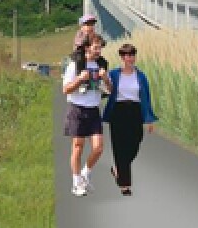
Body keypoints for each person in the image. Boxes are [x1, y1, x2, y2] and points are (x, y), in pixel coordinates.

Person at [101, 43, 158, 196]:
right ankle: (124, 185)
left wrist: (149, 119)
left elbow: (146, 98)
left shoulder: (140, 76)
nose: (128, 58)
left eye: (131, 55)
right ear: (121, 57)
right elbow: (106, 91)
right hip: (118, 111)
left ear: (134, 57)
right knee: (119, 147)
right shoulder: (113, 74)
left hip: (135, 111)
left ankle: (118, 169)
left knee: (135, 143)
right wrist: (105, 80)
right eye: (125, 55)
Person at [62, 36, 111, 196]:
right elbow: (66, 90)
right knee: (78, 147)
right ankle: (76, 183)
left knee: (98, 148)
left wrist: (105, 78)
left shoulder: (101, 65)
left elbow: (110, 90)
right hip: (77, 109)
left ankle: (85, 174)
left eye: (100, 48)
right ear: (86, 48)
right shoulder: (74, 65)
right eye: (95, 48)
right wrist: (79, 79)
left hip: (93, 110)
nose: (98, 51)